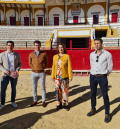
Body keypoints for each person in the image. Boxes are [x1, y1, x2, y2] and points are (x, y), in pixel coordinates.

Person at [87, 38, 113, 123]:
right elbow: (91, 64)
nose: (96, 45)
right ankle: (93, 109)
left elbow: (110, 67)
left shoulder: (107, 54)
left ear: (102, 43)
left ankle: (107, 113)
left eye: (98, 43)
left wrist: (104, 73)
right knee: (93, 93)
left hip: (103, 77)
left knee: (105, 95)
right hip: (93, 76)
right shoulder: (91, 55)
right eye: (95, 43)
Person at [0, 41, 22, 110]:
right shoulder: (2, 54)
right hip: (5, 75)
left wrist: (17, 69)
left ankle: (13, 101)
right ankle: (2, 103)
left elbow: (20, 64)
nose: (10, 46)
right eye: (8, 45)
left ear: (13, 46)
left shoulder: (17, 54)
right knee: (3, 90)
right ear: (6, 46)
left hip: (14, 75)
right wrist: (4, 71)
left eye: (11, 45)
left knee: (14, 89)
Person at [51, 43, 73, 111]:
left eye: (62, 47)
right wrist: (52, 76)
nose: (60, 49)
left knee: (65, 90)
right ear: (58, 48)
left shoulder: (67, 56)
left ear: (64, 48)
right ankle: (58, 104)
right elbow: (53, 67)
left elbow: (69, 67)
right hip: (57, 76)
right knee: (57, 90)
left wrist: (70, 76)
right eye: (59, 47)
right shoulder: (54, 56)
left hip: (64, 76)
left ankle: (65, 104)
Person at [29, 40, 48, 107]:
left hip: (41, 73)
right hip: (33, 73)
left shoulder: (44, 54)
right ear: (34, 46)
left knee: (43, 88)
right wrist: (33, 68)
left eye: (38, 45)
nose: (37, 46)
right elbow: (30, 63)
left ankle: (43, 101)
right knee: (34, 87)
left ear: (40, 45)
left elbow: (46, 63)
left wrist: (42, 68)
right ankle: (35, 100)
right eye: (36, 45)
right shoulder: (31, 54)